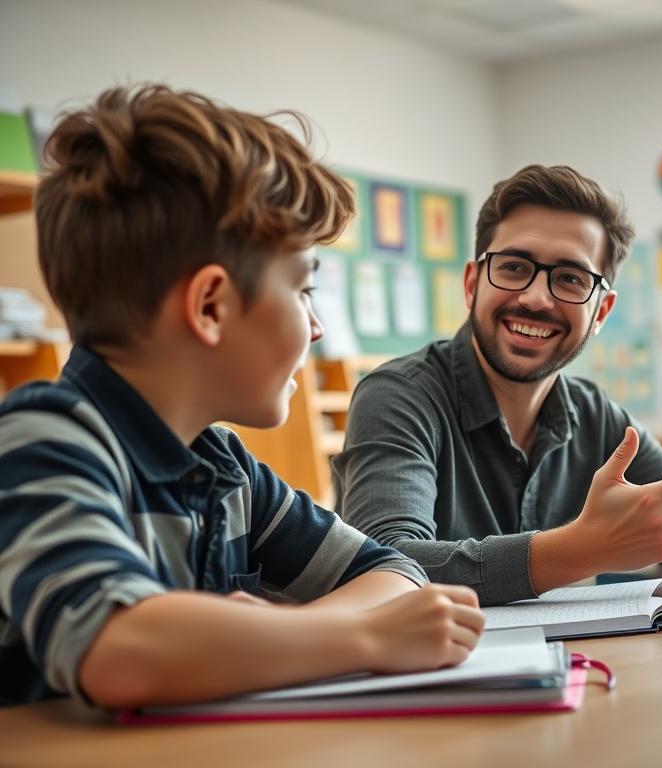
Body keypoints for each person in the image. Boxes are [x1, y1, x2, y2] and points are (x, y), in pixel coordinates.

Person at [0, 85, 484, 708]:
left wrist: (270, 635)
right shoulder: (42, 440)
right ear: (211, 306)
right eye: (303, 290)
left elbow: (394, 573)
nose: (316, 326)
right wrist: (357, 635)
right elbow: (117, 651)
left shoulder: (225, 467)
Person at [334, 165, 662, 607]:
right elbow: (384, 564)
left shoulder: (597, 418)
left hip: (568, 671)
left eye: (570, 278)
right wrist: (582, 550)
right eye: (513, 267)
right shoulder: (398, 396)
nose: (535, 298)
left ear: (601, 312)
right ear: (472, 284)